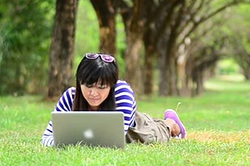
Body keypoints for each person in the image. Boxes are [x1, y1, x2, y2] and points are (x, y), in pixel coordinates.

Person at [41, 53, 186, 147]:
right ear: (79, 82)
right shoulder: (70, 97)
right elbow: (46, 138)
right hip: (104, 135)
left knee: (154, 136)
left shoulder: (122, 92)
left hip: (136, 129)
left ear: (111, 85)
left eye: (101, 87)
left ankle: (170, 123)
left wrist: (70, 144)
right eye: (88, 85)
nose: (93, 93)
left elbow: (113, 142)